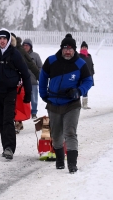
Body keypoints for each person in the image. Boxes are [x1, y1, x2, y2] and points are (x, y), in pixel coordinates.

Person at [39, 34, 93, 173]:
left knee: (70, 132)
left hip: (72, 104)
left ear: (75, 50)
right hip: (54, 103)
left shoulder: (80, 63)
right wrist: (43, 94)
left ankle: (72, 164)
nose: (68, 51)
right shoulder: (51, 61)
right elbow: (43, 77)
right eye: (65, 48)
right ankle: (59, 159)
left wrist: (78, 91)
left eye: (70, 49)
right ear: (61, 49)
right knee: (56, 135)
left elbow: (88, 80)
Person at [0, 28, 32, 160]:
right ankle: (5, 148)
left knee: (8, 119)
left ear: (8, 40)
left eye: (4, 38)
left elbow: (25, 74)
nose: (2, 41)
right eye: (0, 38)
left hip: (11, 91)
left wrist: (28, 93)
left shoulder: (15, 54)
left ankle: (9, 148)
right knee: (1, 120)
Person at [11, 34, 39, 133]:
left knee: (17, 103)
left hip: (18, 82)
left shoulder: (19, 50)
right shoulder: (2, 51)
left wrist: (39, 76)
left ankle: (17, 123)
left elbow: (30, 63)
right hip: (5, 82)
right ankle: (14, 123)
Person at [22, 38, 43, 119]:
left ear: (30, 46)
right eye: (24, 45)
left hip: (33, 81)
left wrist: (38, 76)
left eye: (27, 45)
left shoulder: (35, 56)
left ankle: (34, 112)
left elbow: (40, 67)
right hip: (23, 81)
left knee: (33, 98)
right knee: (24, 97)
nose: (25, 47)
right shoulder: (20, 55)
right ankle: (25, 112)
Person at [79, 41, 95, 109]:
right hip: (80, 75)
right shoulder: (78, 56)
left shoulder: (89, 56)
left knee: (86, 89)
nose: (84, 48)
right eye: (83, 47)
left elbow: (91, 64)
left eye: (85, 47)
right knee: (79, 89)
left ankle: (84, 104)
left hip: (88, 75)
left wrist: (92, 72)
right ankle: (77, 105)